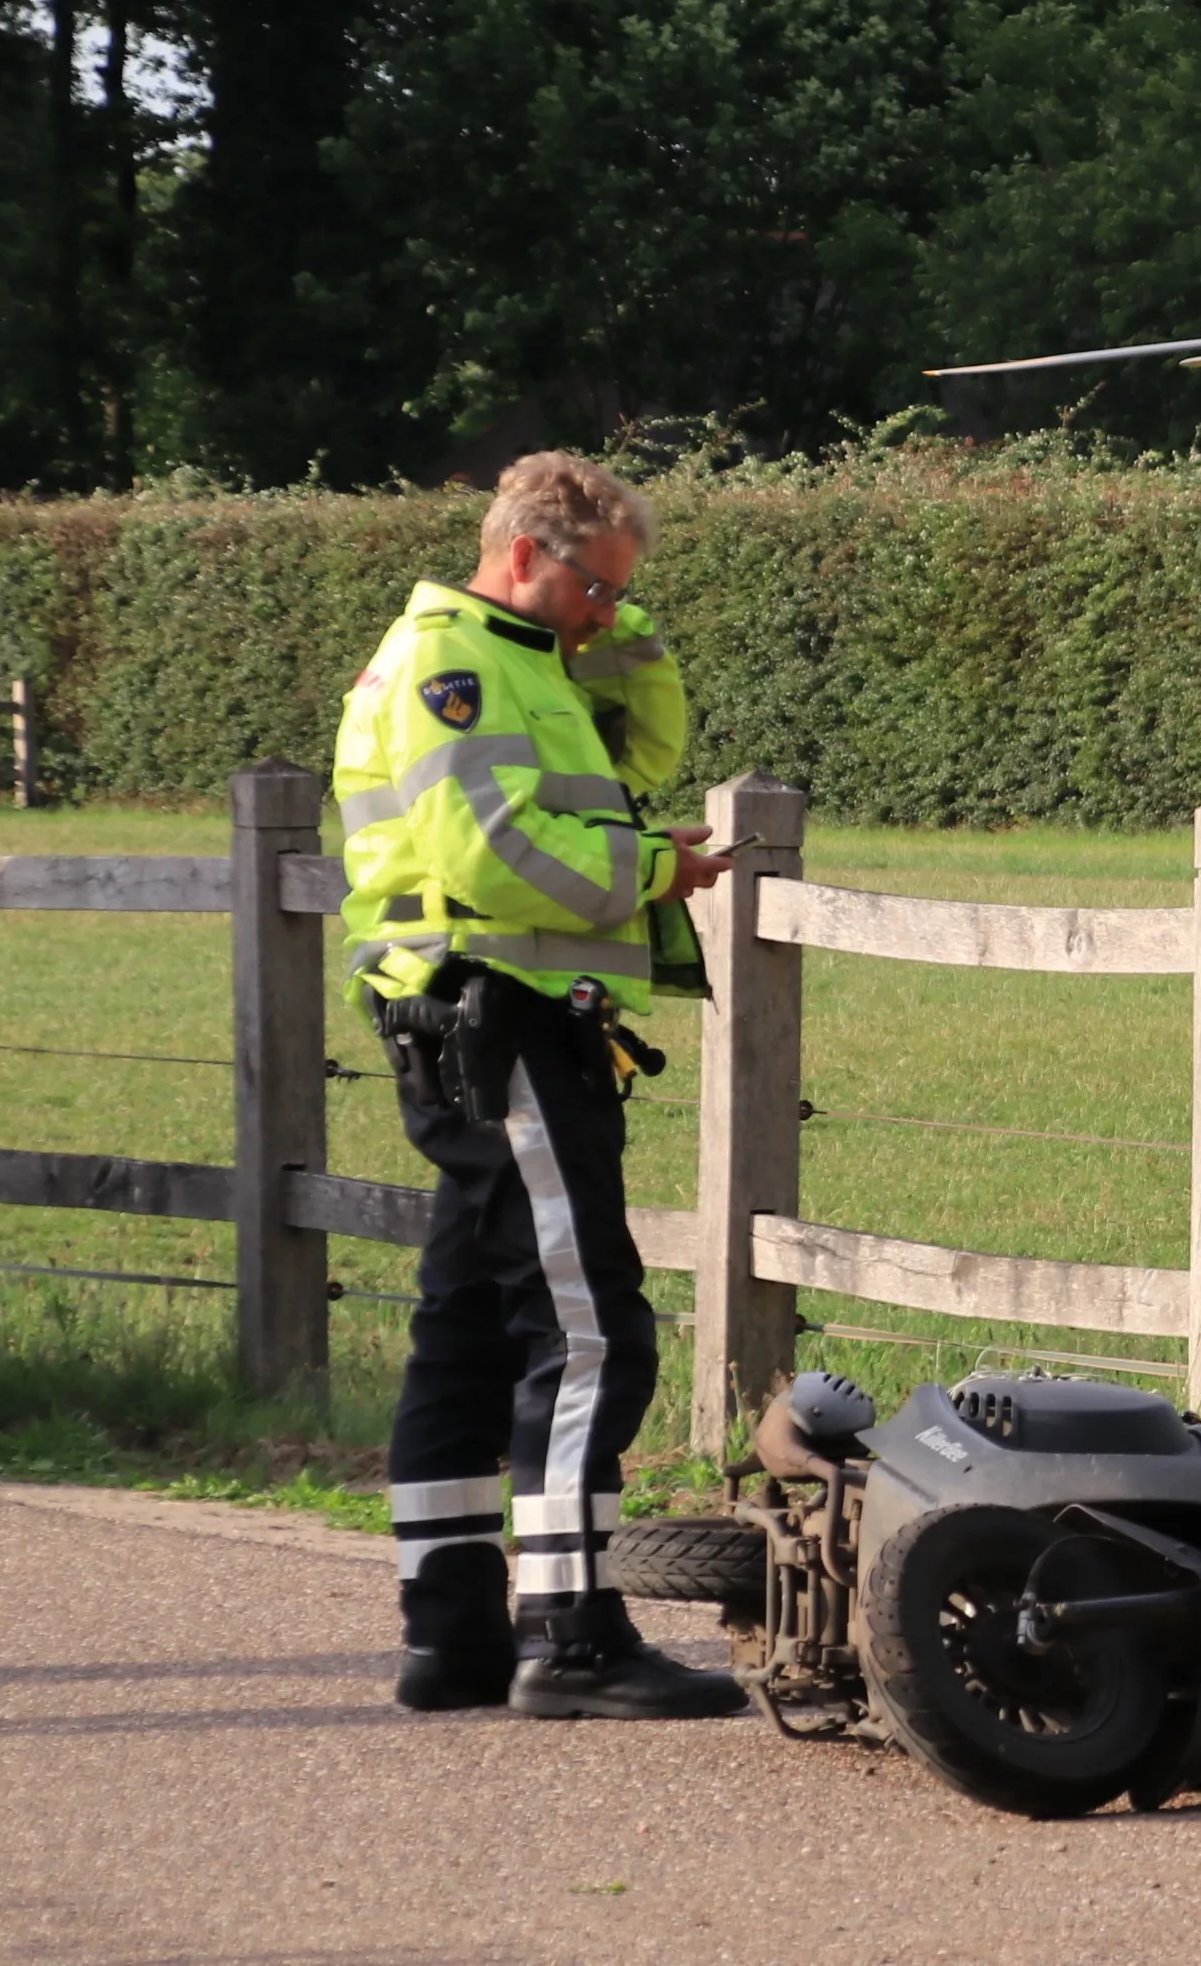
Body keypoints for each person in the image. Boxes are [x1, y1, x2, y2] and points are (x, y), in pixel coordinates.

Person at [340, 451, 741, 1719]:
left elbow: (648, 746)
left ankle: (451, 1633)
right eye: (596, 586)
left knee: (464, 1332)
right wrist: (652, 873)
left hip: (487, 1019)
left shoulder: (523, 655)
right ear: (523, 555)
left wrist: (615, 620)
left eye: (621, 591)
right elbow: (494, 852)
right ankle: (570, 1635)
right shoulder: (451, 669)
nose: (609, 613)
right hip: (499, 1018)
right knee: (588, 1329)